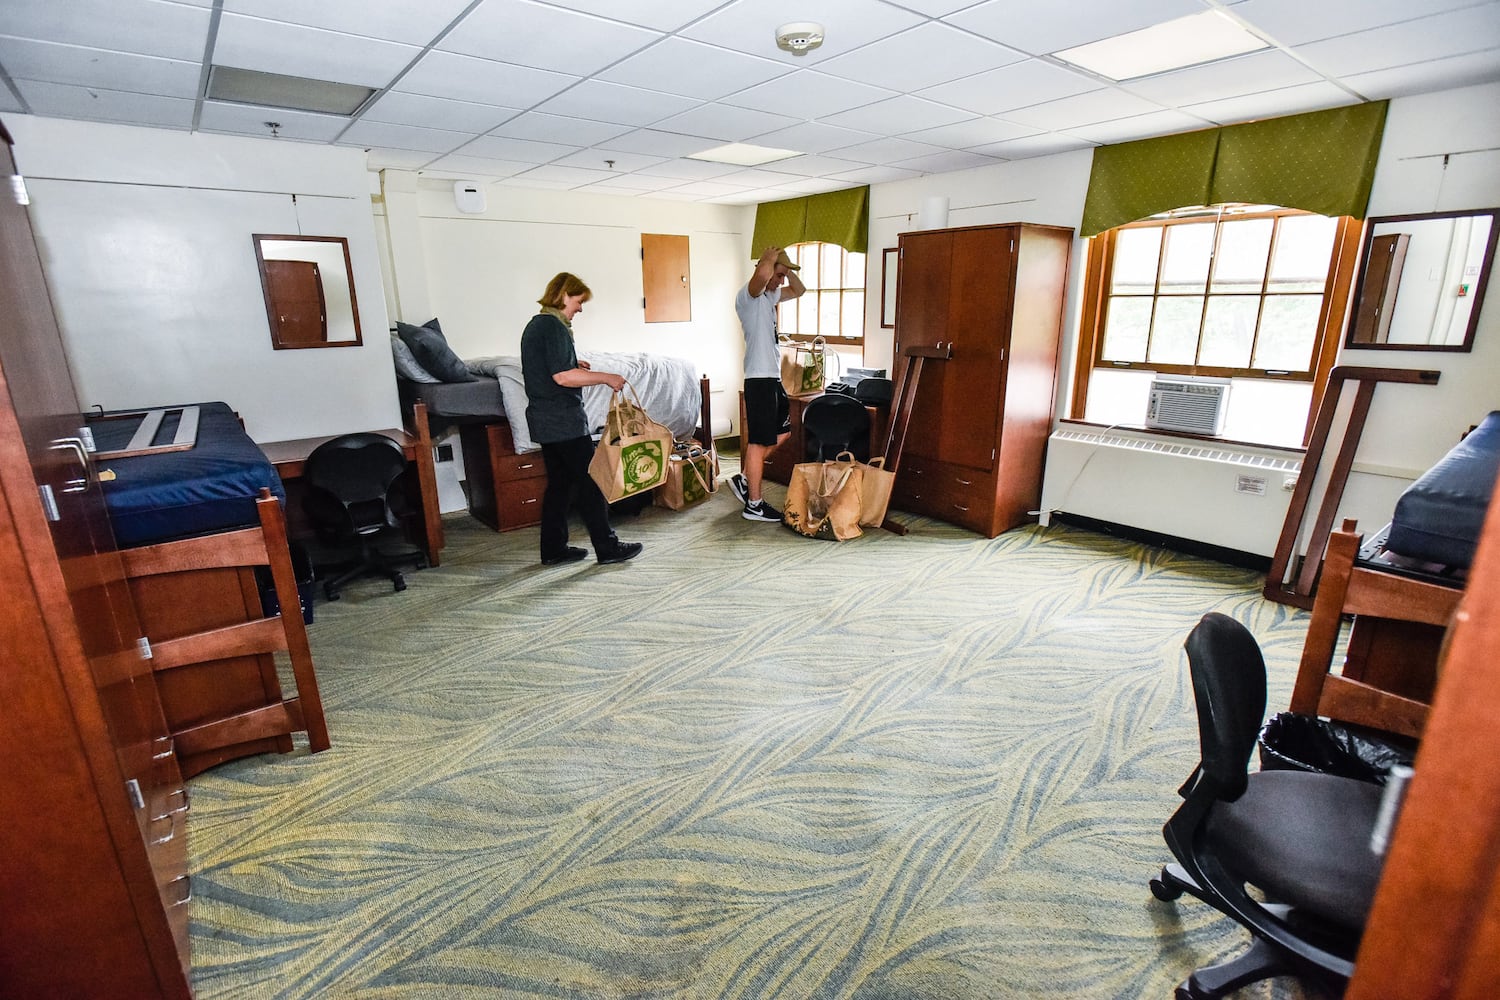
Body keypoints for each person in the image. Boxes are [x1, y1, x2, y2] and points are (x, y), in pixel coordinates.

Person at [520, 272, 642, 566]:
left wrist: (574, 364)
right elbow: (562, 377)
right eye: (578, 301)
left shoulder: (538, 325)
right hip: (563, 421)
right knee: (591, 483)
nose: (580, 308)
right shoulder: (554, 327)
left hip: (546, 421)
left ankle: (553, 549)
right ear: (563, 296)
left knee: (560, 486)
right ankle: (607, 547)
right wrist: (606, 377)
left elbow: (552, 368)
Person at [730, 245, 805, 521]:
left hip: (772, 378)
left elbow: (799, 291)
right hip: (758, 378)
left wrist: (788, 268)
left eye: (782, 277)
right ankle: (754, 503)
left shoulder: (771, 295)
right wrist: (769, 259)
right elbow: (760, 277)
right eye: (779, 275)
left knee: (783, 433)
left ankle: (746, 478)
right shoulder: (748, 297)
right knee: (759, 443)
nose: (781, 282)